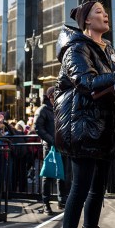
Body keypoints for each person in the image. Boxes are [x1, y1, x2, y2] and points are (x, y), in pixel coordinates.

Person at [53, 0, 115, 228]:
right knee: (79, 191)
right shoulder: (76, 48)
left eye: (105, 11)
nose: (105, 15)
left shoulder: (109, 50)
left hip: (105, 129)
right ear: (85, 20)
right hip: (82, 127)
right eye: (98, 11)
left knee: (97, 193)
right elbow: (85, 81)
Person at [34, 86, 69, 215]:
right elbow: (38, 128)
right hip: (49, 146)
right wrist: (52, 140)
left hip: (59, 145)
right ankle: (46, 204)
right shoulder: (43, 109)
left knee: (61, 174)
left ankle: (61, 201)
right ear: (50, 97)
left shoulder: (58, 108)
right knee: (48, 175)